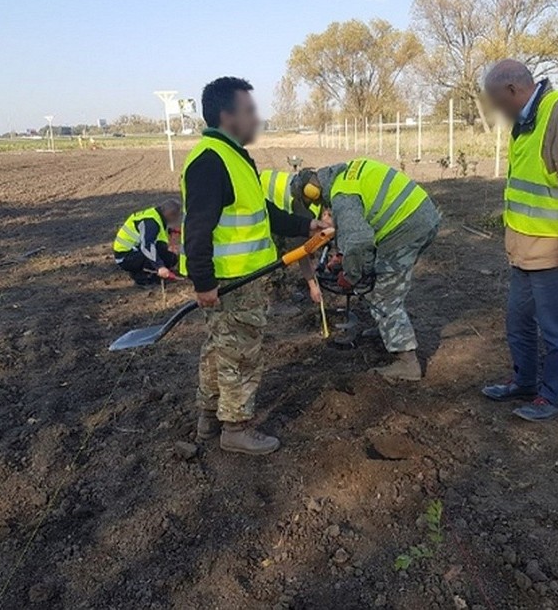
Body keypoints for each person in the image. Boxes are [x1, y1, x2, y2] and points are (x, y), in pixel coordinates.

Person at [181, 77, 330, 455]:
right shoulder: (211, 161)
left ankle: (209, 419)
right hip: (232, 281)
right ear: (227, 115)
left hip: (243, 276)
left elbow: (260, 212)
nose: (256, 119)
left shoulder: (232, 157)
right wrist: (203, 282)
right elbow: (196, 228)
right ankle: (236, 428)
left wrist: (304, 225)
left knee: (220, 350)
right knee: (240, 355)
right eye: (249, 111)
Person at [480, 59, 558, 422]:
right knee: (518, 322)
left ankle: (552, 397)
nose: (496, 111)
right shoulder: (524, 121)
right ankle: (524, 382)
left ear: (514, 91)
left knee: (556, 331)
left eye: (497, 101)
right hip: (525, 252)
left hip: (556, 252)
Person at [291, 158, 441, 382]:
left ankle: (407, 363)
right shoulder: (343, 177)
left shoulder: (342, 196)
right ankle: (388, 331)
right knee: (377, 276)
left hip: (407, 226)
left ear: (312, 191)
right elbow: (358, 229)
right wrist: (345, 255)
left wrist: (349, 276)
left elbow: (360, 241)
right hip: (416, 217)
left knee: (385, 295)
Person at [260, 168, 322, 303]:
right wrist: (313, 286)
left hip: (267, 182)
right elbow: (300, 251)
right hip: (263, 203)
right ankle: (274, 297)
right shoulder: (301, 207)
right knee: (276, 254)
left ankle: (278, 290)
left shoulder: (309, 194)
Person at [113, 199, 181, 286]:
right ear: (170, 214)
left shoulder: (155, 214)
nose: (176, 219)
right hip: (125, 257)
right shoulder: (151, 223)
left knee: (169, 257)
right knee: (165, 259)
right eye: (176, 217)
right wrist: (160, 267)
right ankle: (142, 277)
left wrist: (170, 231)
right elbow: (147, 246)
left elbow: (154, 235)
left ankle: (145, 270)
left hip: (133, 252)